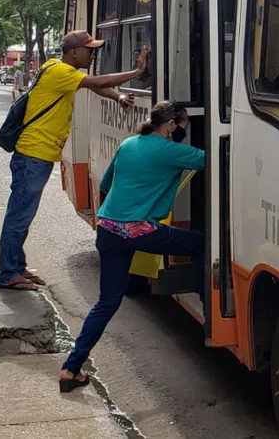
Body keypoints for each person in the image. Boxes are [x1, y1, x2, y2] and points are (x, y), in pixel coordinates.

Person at [58, 101, 205, 393]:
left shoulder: (128, 144)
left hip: (108, 229)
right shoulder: (170, 150)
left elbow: (106, 184)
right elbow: (214, 156)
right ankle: (211, 313)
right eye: (185, 125)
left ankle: (70, 369)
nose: (186, 130)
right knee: (201, 243)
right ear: (172, 125)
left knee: (106, 303)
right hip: (139, 230)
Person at [0, 31, 149, 291]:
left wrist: (118, 97)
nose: (93, 55)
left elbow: (93, 86)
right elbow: (95, 81)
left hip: (37, 155)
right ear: (73, 52)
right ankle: (9, 273)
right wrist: (136, 72)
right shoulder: (59, 72)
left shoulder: (58, 68)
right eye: (89, 50)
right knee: (19, 216)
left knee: (22, 214)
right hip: (34, 155)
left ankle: (17, 266)